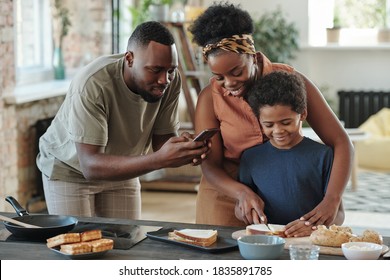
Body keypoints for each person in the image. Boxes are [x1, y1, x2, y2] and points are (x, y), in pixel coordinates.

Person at [188, 2, 353, 230]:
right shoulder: (210, 98)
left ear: (252, 56)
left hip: (291, 185)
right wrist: (242, 192)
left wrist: (331, 200)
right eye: (219, 77)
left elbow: (341, 142)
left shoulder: (293, 82)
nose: (229, 84)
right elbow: (210, 165)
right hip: (229, 191)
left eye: (236, 72)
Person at [36, 21, 209, 220]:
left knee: (126, 244)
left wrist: (182, 149)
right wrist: (159, 159)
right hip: (71, 170)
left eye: (170, 70)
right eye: (155, 70)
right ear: (129, 59)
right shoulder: (93, 84)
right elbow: (90, 165)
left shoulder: (171, 80)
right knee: (77, 245)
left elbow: (162, 141)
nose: (164, 80)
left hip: (123, 168)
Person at [238, 71, 344, 237]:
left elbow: (339, 214)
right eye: (269, 124)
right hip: (267, 240)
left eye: (286, 122)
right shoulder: (250, 158)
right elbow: (240, 206)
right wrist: (246, 213)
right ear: (259, 121)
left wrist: (315, 226)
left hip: (310, 241)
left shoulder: (324, 155)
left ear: (302, 114)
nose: (278, 131)